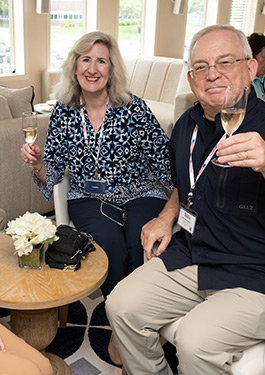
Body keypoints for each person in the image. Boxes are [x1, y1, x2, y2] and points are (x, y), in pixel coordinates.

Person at [106, 25, 265, 375]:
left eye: (225, 62)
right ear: (191, 79)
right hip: (198, 254)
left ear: (251, 69)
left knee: (196, 341)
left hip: (263, 272)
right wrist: (166, 215)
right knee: (120, 304)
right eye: (201, 67)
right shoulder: (185, 126)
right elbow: (187, 184)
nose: (212, 75)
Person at [20, 31, 173, 365]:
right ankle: (124, 327)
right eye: (85, 59)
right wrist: (38, 163)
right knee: (110, 250)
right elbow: (55, 172)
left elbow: (163, 157)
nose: (92, 68)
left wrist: (178, 202)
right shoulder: (63, 112)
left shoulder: (134, 107)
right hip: (87, 195)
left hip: (138, 191)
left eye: (101, 60)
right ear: (75, 67)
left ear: (111, 68)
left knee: (139, 242)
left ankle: (132, 321)